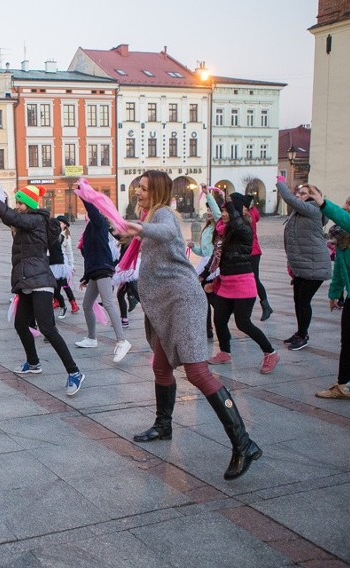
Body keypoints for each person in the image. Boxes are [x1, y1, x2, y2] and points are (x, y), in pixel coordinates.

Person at [118, 170, 262, 480]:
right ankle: (163, 426)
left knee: (197, 372)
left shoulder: (164, 214)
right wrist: (133, 230)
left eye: (142, 189)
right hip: (162, 305)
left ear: (156, 190)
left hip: (182, 301)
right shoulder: (151, 215)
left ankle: (244, 443)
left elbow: (168, 233)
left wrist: (141, 227)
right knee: (161, 366)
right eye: (137, 188)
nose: (138, 193)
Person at [0, 184, 84, 396]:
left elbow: (14, 218)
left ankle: (74, 372)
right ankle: (33, 363)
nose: (18, 206)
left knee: (48, 328)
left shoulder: (37, 220)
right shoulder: (25, 223)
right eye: (17, 202)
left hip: (40, 281)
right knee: (21, 324)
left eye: (20, 203)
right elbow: (9, 218)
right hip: (27, 281)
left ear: (29, 204)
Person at [305, 187, 350, 400]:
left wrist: (325, 204)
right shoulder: (343, 236)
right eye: (345, 202)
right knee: (349, 344)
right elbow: (340, 267)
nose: (345, 206)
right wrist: (334, 293)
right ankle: (343, 387)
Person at [205, 198, 279, 374]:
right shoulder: (223, 232)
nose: (223, 214)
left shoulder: (244, 230)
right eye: (222, 210)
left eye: (226, 211)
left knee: (243, 323)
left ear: (237, 213)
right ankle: (225, 352)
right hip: (226, 283)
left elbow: (238, 224)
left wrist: (232, 205)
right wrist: (203, 277)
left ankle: (270, 352)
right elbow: (216, 257)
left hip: (243, 284)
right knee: (220, 319)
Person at [74, 196, 132, 364]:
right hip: (95, 271)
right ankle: (91, 338)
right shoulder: (91, 228)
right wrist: (86, 277)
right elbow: (90, 255)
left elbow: (92, 210)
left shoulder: (98, 222)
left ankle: (122, 340)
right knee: (86, 305)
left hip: (103, 269)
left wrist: (83, 193)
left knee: (108, 303)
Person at [278, 177, 332, 350]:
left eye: (303, 193)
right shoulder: (301, 211)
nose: (298, 195)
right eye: (298, 192)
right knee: (298, 300)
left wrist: (281, 183)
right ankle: (300, 332)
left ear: (314, 197)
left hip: (315, 265)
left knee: (303, 301)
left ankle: (303, 335)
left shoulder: (312, 208)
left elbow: (289, 199)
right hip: (303, 265)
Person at [187, 186, 222, 338]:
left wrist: (208, 194)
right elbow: (203, 252)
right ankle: (207, 328)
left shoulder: (220, 229)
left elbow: (217, 212)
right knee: (204, 300)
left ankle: (222, 322)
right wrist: (194, 247)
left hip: (215, 267)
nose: (208, 213)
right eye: (207, 210)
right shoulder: (207, 230)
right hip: (205, 264)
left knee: (213, 298)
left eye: (210, 211)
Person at [234, 193, 273, 321]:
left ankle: (265, 305)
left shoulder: (247, 216)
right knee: (247, 279)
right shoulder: (250, 213)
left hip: (252, 252)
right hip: (250, 252)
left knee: (254, 279)